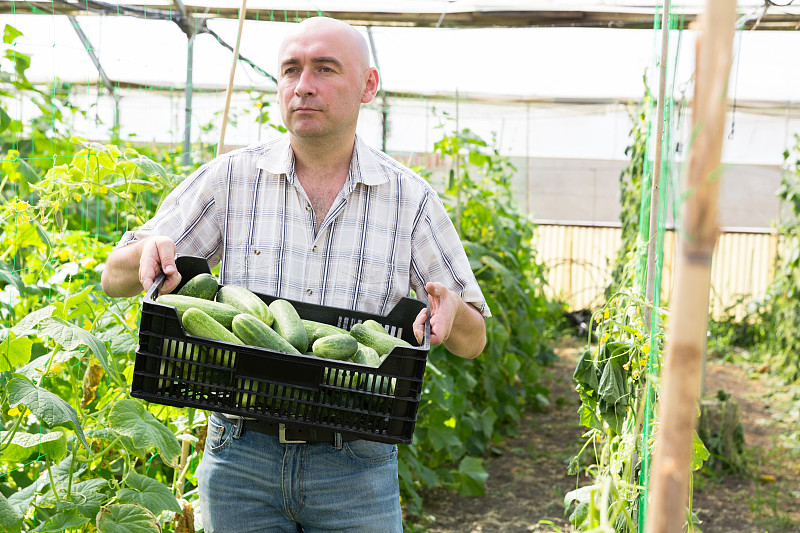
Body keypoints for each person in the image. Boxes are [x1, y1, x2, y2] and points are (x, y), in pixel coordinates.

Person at [101, 16, 490, 532]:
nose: (303, 85)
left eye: (325, 68)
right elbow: (114, 277)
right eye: (291, 70)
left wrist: (451, 313)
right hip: (239, 456)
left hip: (356, 465)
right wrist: (147, 251)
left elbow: (474, 338)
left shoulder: (410, 199)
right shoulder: (232, 178)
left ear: (368, 85)